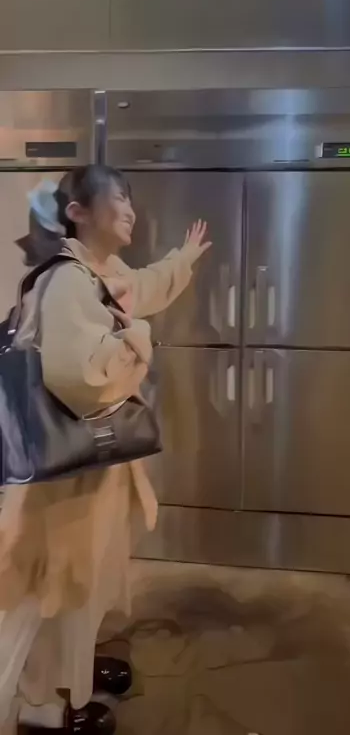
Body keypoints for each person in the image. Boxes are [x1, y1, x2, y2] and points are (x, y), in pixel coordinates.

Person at [0, 165, 211, 733]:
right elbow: (84, 379)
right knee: (46, 592)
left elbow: (139, 286)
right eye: (119, 196)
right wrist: (137, 338)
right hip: (63, 477)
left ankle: (69, 680)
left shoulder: (98, 271)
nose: (130, 208)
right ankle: (41, 705)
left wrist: (183, 259)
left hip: (85, 467)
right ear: (78, 212)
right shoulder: (68, 281)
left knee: (77, 586)